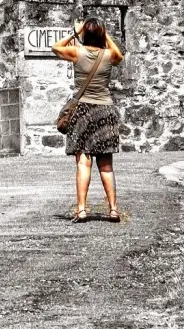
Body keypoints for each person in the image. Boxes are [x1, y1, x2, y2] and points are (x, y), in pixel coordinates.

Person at [52, 18, 125, 222]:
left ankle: (82, 210)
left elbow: (56, 47)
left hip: (83, 110)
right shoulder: (109, 55)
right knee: (106, 165)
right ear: (101, 34)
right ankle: (113, 210)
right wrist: (105, 35)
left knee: (83, 163)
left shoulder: (77, 52)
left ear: (85, 34)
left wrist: (76, 33)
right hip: (105, 110)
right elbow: (119, 55)